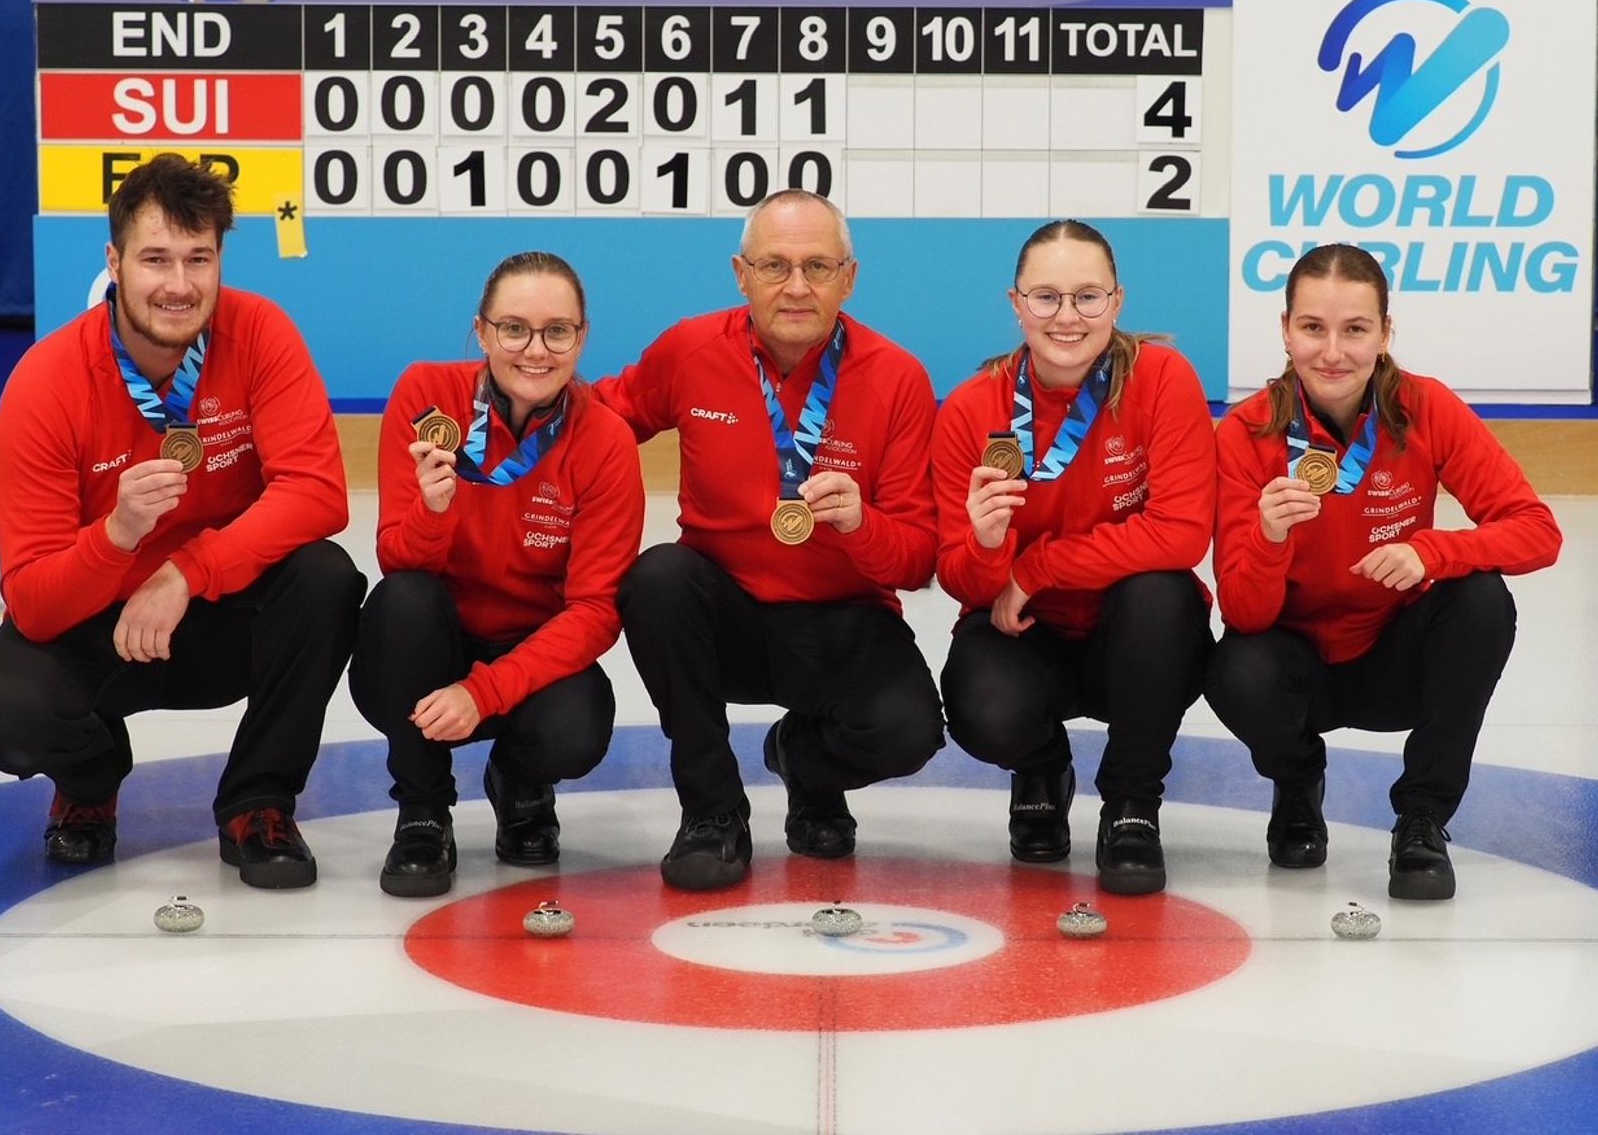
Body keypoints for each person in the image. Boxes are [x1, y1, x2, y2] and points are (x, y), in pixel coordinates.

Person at [0, 153, 365, 889]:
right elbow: (31, 598)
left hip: (214, 610)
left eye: (199, 258)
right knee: (11, 712)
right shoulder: (47, 380)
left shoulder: (261, 333)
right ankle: (90, 781)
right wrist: (116, 535)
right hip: (98, 624)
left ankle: (259, 802)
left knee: (325, 579)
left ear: (221, 258)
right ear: (114, 261)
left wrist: (188, 569)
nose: (179, 285)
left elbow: (318, 493)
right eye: (156, 259)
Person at [599, 189, 944, 891]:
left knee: (910, 732)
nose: (795, 286)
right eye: (775, 265)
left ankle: (804, 764)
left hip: (844, 616)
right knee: (659, 578)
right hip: (720, 616)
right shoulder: (691, 349)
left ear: (849, 278)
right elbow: (594, 424)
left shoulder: (898, 376)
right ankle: (712, 811)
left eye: (817, 266)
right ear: (740, 273)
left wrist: (861, 522)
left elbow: (915, 559)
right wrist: (485, 422)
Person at [1206, 243, 1561, 900]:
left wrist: (1432, 551)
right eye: (1313, 328)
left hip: (1393, 659)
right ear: (1285, 330)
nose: (1332, 351)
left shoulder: (1425, 408)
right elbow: (1246, 614)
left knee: (1480, 599)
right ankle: (1298, 782)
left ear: (1386, 332)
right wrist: (1270, 534)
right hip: (1298, 669)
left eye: (1355, 329)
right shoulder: (1247, 433)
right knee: (1235, 668)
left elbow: (1539, 532)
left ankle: (1422, 817)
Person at [931, 220, 1215, 895]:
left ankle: (1131, 805)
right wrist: (988, 541)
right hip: (1025, 634)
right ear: (1015, 303)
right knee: (982, 702)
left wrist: (1038, 567)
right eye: (1046, 297)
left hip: (1135, 640)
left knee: (1161, 594)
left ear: (1117, 303)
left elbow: (1181, 535)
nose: (1067, 316)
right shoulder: (973, 409)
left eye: (1088, 297)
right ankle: (1042, 765)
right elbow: (961, 580)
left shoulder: (1162, 378)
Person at [348, 252, 644, 897]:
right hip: (432, 642)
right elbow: (398, 562)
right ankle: (422, 809)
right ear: (481, 333)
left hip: (529, 654)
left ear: (582, 337)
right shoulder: (428, 396)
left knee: (576, 730)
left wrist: (485, 693)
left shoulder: (605, 440)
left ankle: (521, 783)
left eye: (556, 331)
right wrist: (433, 512)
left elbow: (596, 610)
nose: (535, 350)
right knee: (402, 603)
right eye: (514, 328)